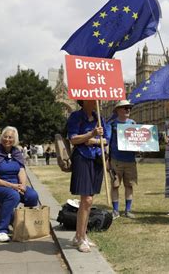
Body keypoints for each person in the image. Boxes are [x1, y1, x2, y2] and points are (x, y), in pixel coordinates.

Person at [0, 126, 39, 242]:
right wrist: (12, 186)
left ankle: (24, 224)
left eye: (11, 137)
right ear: (1, 137)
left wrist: (22, 185)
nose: (7, 139)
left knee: (32, 196)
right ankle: (0, 230)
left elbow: (21, 170)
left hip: (16, 185)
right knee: (13, 196)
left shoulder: (16, 152)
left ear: (15, 139)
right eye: (5, 136)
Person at [67, 100, 108, 253]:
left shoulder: (100, 119)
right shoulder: (76, 117)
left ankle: (80, 235)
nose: (96, 101)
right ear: (83, 101)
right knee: (86, 199)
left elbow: (106, 140)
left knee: (89, 201)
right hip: (82, 159)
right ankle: (81, 237)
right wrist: (91, 134)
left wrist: (94, 140)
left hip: (97, 159)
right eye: (92, 99)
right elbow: (73, 139)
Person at [105, 100, 137, 220]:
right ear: (118, 110)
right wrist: (107, 159)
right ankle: (115, 210)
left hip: (130, 160)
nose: (128, 109)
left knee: (129, 185)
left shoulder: (133, 123)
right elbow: (107, 142)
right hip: (116, 160)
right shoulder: (112, 125)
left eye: (129, 107)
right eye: (124, 107)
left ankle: (128, 210)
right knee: (115, 185)